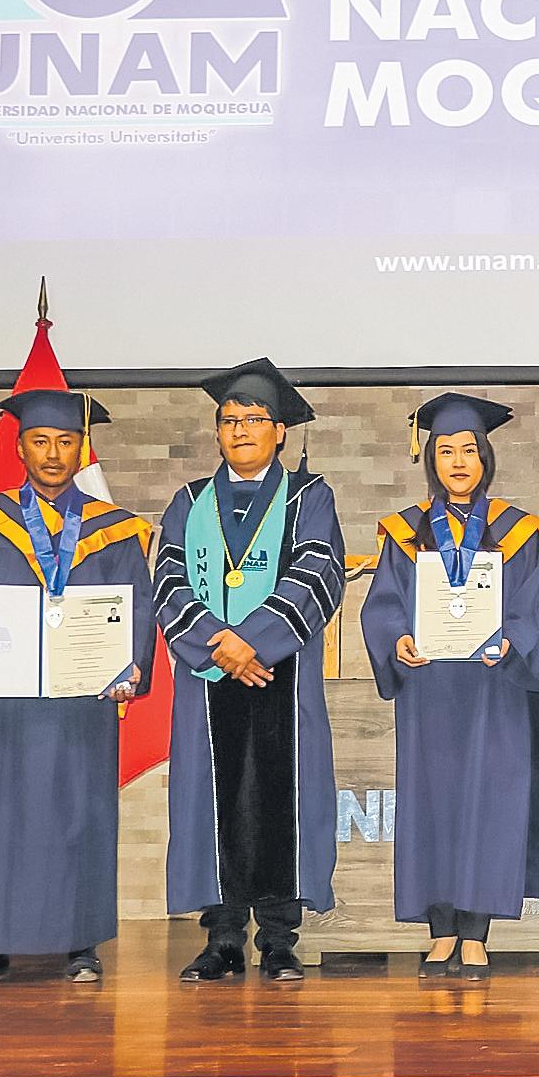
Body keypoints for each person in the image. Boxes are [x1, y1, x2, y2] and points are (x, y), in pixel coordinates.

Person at [0, 390, 154, 983]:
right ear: (20, 448)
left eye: (65, 441)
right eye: (40, 441)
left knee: (79, 813)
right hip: (3, 699)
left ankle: (79, 942)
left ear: (81, 449)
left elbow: (136, 606)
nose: (53, 453)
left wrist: (130, 666)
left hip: (80, 700)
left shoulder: (115, 529)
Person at [153, 359, 345, 982]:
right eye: (229, 420)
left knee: (280, 801)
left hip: (281, 675)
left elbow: (319, 572)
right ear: (216, 432)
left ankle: (281, 940)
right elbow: (168, 580)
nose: (240, 430)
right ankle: (224, 939)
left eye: (254, 419)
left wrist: (253, 643)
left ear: (280, 431)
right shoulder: (189, 502)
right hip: (210, 677)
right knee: (217, 803)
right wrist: (219, 646)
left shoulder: (309, 497)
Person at [361, 394, 539, 980]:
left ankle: (475, 933)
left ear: (486, 458)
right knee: (433, 804)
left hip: (493, 687)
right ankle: (440, 930)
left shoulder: (518, 531)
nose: (459, 462)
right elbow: (383, 604)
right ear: (432, 460)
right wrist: (396, 639)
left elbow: (533, 605)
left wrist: (511, 641)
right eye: (446, 451)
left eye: (469, 450)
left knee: (488, 805)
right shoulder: (405, 531)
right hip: (430, 687)